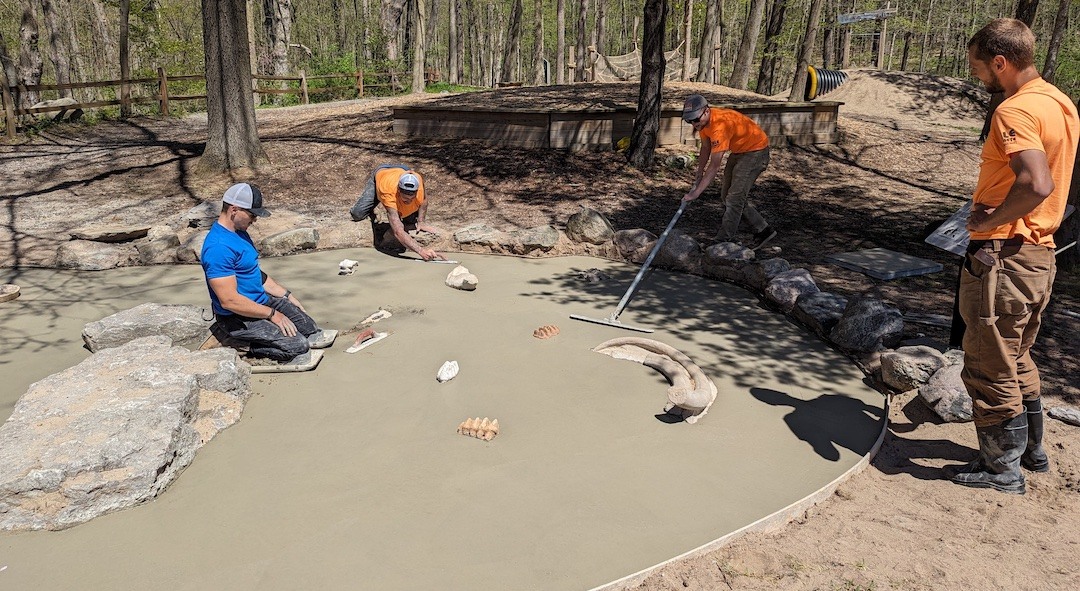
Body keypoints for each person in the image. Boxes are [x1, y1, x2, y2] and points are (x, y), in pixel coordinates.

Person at [943, 18, 1079, 495]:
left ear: (1000, 62)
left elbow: (1037, 182)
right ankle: (1033, 451)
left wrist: (985, 222)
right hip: (1039, 256)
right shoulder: (1059, 103)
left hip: (1004, 256)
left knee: (987, 361)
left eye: (978, 67)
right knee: (1017, 356)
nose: (977, 75)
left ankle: (1001, 469)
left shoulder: (1014, 111)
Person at [201, 183, 337, 364]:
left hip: (260, 301)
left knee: (310, 329)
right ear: (234, 210)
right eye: (252, 215)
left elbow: (253, 271)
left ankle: (266, 330)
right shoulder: (218, 247)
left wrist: (286, 295)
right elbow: (229, 300)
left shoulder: (240, 232)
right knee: (298, 347)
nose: (255, 220)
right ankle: (240, 345)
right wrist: (273, 315)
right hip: (236, 316)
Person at [680, 94, 776, 249]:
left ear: (706, 111)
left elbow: (715, 165)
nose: (693, 123)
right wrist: (699, 172)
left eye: (695, 119)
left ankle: (723, 241)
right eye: (689, 120)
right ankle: (764, 230)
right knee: (727, 196)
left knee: (734, 198)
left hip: (756, 152)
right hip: (739, 151)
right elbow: (705, 147)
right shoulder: (703, 124)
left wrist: (696, 193)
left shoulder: (719, 125)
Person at [349, 164, 446, 261]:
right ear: (399, 190)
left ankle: (405, 205)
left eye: (411, 198)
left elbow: (424, 200)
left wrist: (421, 222)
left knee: (408, 218)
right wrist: (421, 251)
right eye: (405, 199)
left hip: (402, 170)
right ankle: (374, 206)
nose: (409, 201)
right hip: (382, 174)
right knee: (357, 214)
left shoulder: (418, 181)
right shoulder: (388, 192)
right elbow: (398, 231)